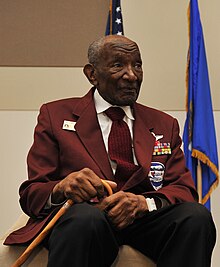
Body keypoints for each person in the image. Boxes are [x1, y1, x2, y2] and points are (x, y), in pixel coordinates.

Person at [5, 35, 216, 267]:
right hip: (88, 220)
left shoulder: (164, 123)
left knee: (196, 217)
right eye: (118, 65)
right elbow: (31, 193)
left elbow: (183, 190)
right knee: (84, 218)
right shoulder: (55, 116)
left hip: (144, 220)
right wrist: (61, 187)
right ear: (92, 74)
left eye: (137, 65)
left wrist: (142, 204)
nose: (132, 75)